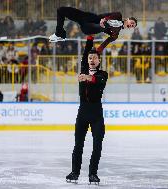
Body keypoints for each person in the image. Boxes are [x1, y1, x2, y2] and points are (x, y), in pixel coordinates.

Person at [65, 36, 108, 185]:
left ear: (99, 61)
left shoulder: (103, 74)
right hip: (82, 112)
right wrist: (90, 37)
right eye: (90, 58)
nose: (91, 60)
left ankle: (93, 174)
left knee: (97, 145)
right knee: (78, 145)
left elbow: (98, 81)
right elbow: (85, 54)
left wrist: (87, 78)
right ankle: (75, 172)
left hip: (96, 113)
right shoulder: (83, 68)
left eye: (94, 58)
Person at [49, 7, 137, 53]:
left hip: (91, 28)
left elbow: (104, 44)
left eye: (133, 26)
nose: (132, 25)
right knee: (61, 10)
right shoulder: (118, 16)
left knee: (102, 26)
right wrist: (105, 19)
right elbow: (111, 16)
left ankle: (104, 25)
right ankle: (59, 34)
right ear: (127, 19)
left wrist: (97, 51)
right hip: (89, 17)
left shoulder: (115, 35)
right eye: (132, 22)